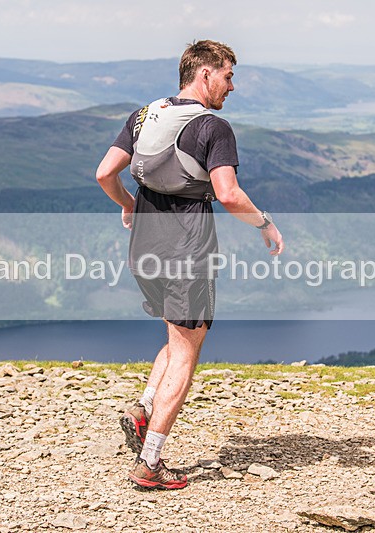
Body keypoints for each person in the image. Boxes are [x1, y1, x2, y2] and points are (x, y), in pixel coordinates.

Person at [95, 39, 284, 490]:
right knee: (187, 350)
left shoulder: (146, 114)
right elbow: (229, 194)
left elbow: (105, 173)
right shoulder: (212, 128)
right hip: (187, 246)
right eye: (228, 76)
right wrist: (265, 223)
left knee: (178, 333)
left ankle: (142, 410)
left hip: (144, 244)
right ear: (205, 75)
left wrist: (128, 205)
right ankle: (150, 464)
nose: (232, 86)